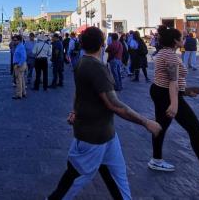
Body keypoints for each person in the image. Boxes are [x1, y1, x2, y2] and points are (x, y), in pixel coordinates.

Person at [48, 27, 162, 199]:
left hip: (106, 134)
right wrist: (146, 122)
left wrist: (75, 110)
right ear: (102, 43)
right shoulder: (96, 68)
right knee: (76, 177)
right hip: (93, 137)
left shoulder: (81, 62)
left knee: (118, 176)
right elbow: (114, 104)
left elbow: (79, 92)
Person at [147, 27, 199, 183]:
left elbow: (167, 79)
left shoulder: (162, 53)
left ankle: (156, 160)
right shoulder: (171, 57)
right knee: (195, 129)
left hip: (159, 91)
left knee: (160, 127)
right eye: (181, 38)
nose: (183, 40)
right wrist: (175, 103)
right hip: (167, 94)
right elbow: (172, 81)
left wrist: (185, 92)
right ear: (175, 41)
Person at [12, 35, 27, 99]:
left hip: (19, 65)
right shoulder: (19, 46)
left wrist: (18, 64)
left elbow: (23, 57)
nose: (14, 41)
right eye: (14, 40)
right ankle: (23, 92)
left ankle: (18, 94)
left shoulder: (20, 47)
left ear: (19, 40)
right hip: (20, 64)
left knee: (18, 80)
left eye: (15, 40)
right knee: (22, 79)